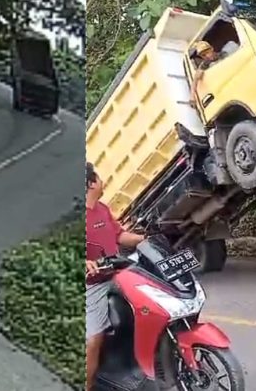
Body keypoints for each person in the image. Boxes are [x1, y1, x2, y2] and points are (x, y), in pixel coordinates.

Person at [85, 162, 145, 390]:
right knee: (93, 341)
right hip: (93, 285)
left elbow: (121, 237)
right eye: (98, 178)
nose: (103, 181)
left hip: (117, 273)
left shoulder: (102, 209)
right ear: (91, 183)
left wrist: (145, 239)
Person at [188, 40, 220, 106]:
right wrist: (192, 97)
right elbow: (195, 80)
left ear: (211, 49)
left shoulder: (223, 54)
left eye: (207, 52)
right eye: (203, 55)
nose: (206, 56)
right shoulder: (205, 64)